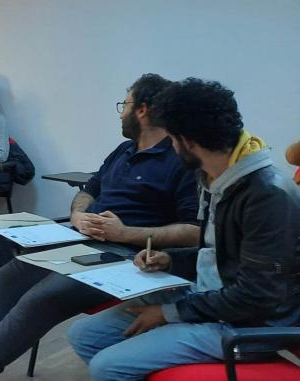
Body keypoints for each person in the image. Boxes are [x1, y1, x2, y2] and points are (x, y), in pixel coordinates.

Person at [0, 74, 200, 381]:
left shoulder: (180, 160)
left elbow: (194, 231)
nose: (121, 113)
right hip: (80, 240)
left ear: (142, 110)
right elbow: (89, 190)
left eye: (125, 104)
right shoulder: (123, 151)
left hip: (125, 255)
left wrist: (125, 233)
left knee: (42, 298)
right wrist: (78, 215)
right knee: (3, 280)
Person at [67, 78, 300, 381]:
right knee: (84, 335)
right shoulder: (214, 177)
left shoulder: (266, 196)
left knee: (107, 366)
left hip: (248, 324)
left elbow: (257, 295)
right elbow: (219, 256)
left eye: (171, 140)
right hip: (208, 297)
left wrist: (168, 313)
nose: (170, 148)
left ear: (186, 142)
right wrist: (170, 260)